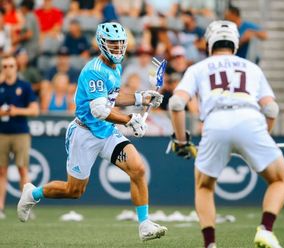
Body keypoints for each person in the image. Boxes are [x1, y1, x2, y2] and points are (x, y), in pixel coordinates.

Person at [17, 21, 167, 242]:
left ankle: (144, 224)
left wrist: (140, 97)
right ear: (101, 43)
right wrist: (130, 119)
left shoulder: (116, 67)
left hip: (106, 132)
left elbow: (112, 98)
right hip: (85, 133)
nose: (117, 48)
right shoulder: (94, 70)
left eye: (120, 44)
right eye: (112, 44)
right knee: (74, 191)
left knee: (138, 168)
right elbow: (99, 110)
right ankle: (33, 193)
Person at [168, 20, 284, 248]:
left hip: (215, 121)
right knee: (280, 180)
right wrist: (261, 138)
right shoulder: (252, 68)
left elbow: (176, 104)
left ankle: (210, 244)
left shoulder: (198, 68)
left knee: (204, 187)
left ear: (208, 44)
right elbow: (272, 109)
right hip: (251, 119)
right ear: (234, 44)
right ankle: (266, 229)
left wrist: (181, 140)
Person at [0, 55, 39, 219]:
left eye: (11, 66)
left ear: (16, 67)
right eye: (5, 66)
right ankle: (0, 207)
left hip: (20, 132)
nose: (8, 69)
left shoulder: (24, 86)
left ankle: (26, 207)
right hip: (2, 132)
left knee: (23, 169)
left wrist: (17, 111)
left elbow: (35, 110)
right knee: (1, 171)